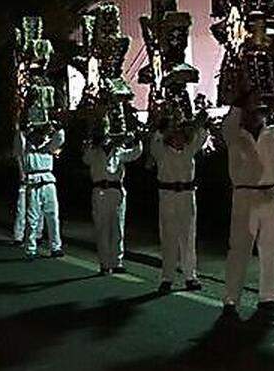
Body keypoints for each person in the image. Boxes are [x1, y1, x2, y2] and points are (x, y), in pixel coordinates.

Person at [221, 83, 274, 314]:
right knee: (239, 248)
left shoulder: (273, 133)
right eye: (253, 109)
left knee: (270, 248)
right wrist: (242, 99)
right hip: (245, 194)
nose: (257, 112)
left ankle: (267, 296)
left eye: (260, 109)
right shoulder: (234, 133)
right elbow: (230, 120)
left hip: (271, 193)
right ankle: (231, 298)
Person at [149, 122, 207, 292]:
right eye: (176, 134)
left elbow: (201, 136)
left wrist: (197, 123)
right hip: (168, 196)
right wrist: (162, 126)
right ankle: (167, 277)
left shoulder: (189, 150)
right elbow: (154, 143)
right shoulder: (162, 152)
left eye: (181, 134)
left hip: (186, 196)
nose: (179, 138)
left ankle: (190, 276)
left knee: (188, 237)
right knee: (168, 238)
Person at [82, 124, 143, 274]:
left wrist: (135, 139)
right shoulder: (94, 151)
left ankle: (117, 261)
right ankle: (104, 263)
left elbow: (135, 153)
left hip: (116, 191)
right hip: (100, 191)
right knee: (102, 228)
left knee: (117, 227)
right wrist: (95, 142)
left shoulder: (119, 151)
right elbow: (86, 158)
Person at [16, 125, 66, 259]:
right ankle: (31, 248)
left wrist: (56, 126)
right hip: (33, 182)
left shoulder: (48, 146)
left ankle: (56, 247)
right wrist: (23, 127)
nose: (40, 136)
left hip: (48, 182)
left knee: (53, 216)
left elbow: (60, 138)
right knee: (32, 218)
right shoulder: (26, 147)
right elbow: (19, 140)